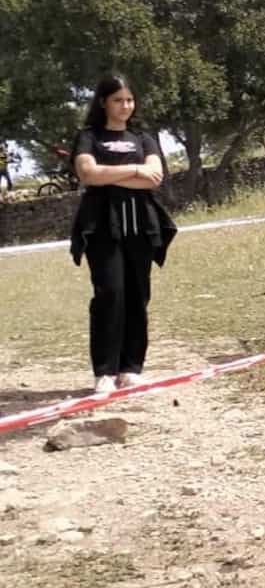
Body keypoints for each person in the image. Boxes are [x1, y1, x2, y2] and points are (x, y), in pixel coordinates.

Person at [69, 73, 177, 395]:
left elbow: (154, 177)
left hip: (140, 226)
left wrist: (111, 175)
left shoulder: (143, 138)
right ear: (104, 102)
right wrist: (133, 169)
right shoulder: (89, 136)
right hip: (102, 226)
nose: (125, 106)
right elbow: (88, 173)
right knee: (110, 293)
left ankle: (131, 368)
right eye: (118, 100)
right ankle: (105, 370)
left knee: (137, 295)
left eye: (129, 100)